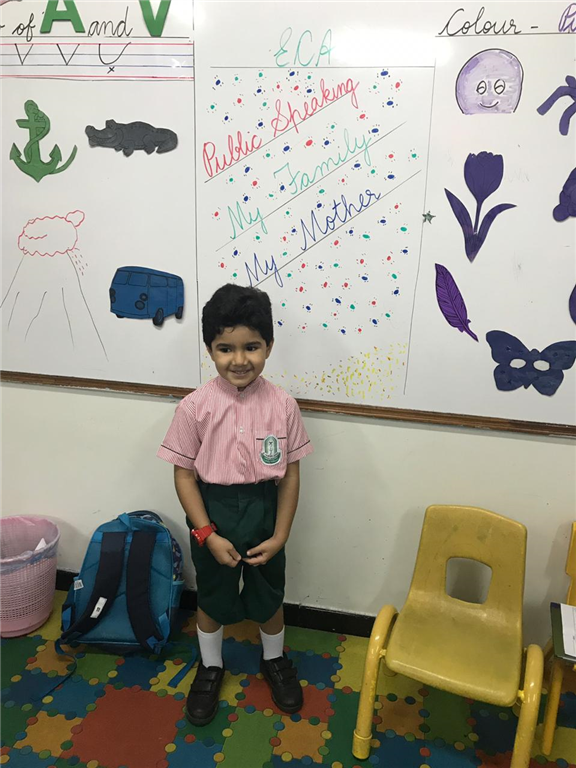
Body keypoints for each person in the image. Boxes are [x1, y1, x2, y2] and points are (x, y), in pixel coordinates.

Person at [157, 283, 313, 726]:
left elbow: (290, 475)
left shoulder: (283, 405)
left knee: (269, 593)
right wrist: (206, 533)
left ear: (269, 347)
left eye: (252, 347)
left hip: (266, 510)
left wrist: (280, 535)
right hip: (213, 511)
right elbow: (184, 475)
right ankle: (210, 666)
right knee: (213, 596)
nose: (239, 359)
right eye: (225, 348)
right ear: (210, 349)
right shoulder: (194, 407)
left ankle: (274, 658)